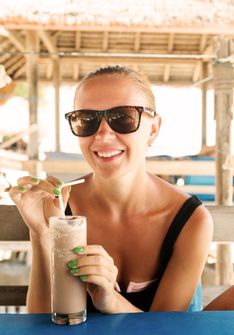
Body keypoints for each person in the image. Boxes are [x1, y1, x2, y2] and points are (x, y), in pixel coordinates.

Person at [10, 65, 217, 313]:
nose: (103, 134)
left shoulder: (189, 219)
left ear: (153, 128)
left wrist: (111, 300)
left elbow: (166, 334)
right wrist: (41, 233)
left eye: (123, 117)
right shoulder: (59, 208)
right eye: (86, 120)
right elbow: (40, 323)